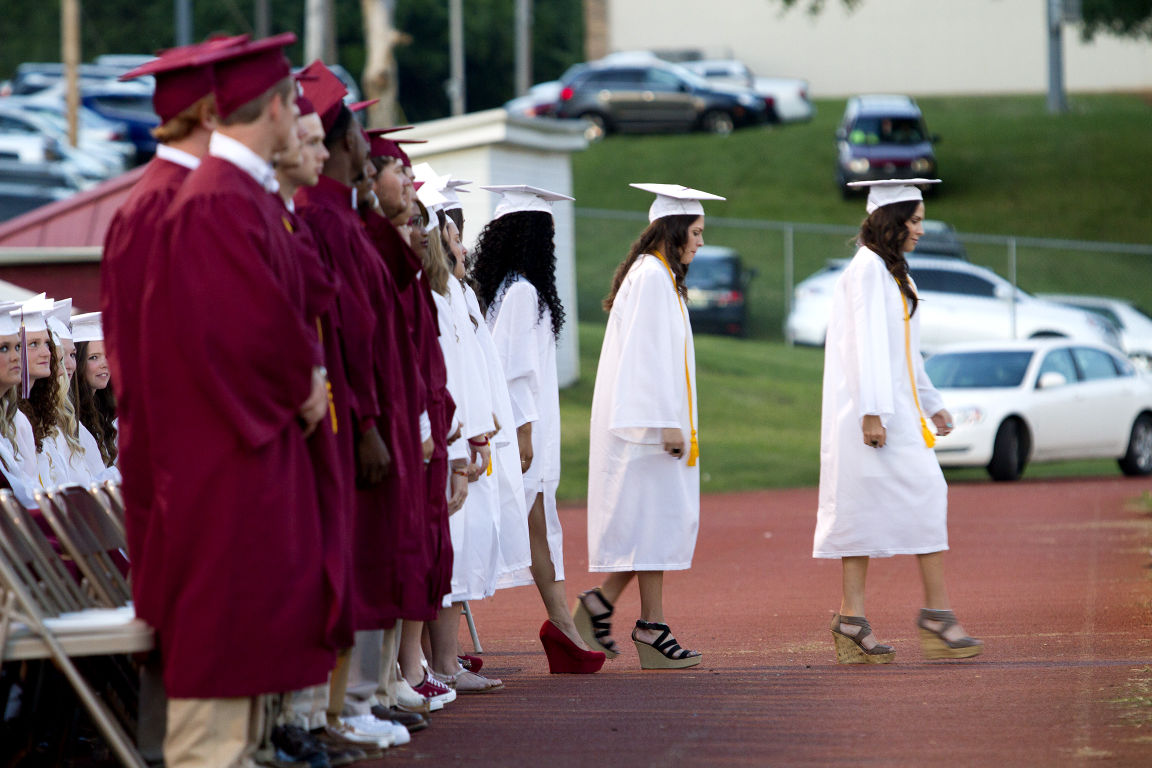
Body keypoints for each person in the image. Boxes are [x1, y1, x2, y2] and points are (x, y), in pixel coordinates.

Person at [136, 34, 341, 767]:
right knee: (216, 671)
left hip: (248, 456)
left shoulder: (239, 198)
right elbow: (242, 328)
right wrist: (305, 384)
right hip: (222, 461)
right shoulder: (214, 203)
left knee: (246, 645)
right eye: (296, 106)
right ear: (278, 108)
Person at [103, 33, 249, 632]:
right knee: (196, 630)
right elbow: (152, 353)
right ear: (210, 114)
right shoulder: (161, 203)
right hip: (182, 456)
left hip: (201, 451)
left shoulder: (190, 195)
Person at [816, 178, 982, 664]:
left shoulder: (893, 273)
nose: (920, 230)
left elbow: (905, 352)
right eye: (914, 221)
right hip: (872, 416)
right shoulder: (866, 271)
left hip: (894, 411)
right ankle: (932, 614)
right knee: (905, 498)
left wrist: (931, 402)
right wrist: (871, 412)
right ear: (891, 223)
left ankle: (855, 618)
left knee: (883, 505)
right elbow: (863, 345)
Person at [576, 184, 723, 670]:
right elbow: (643, 356)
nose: (701, 243)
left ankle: (607, 610)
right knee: (650, 524)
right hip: (645, 429)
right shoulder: (653, 278)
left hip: (652, 428)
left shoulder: (659, 275)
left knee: (651, 525)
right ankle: (646, 625)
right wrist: (665, 422)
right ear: (676, 229)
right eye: (697, 233)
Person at [472, 185, 605, 675]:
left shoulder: (504, 288)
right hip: (521, 431)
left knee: (537, 528)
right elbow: (517, 371)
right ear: (533, 237)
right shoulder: (525, 293)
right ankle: (562, 628)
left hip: (516, 427)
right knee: (537, 528)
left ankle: (562, 628)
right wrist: (527, 434)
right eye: (546, 232)